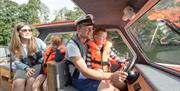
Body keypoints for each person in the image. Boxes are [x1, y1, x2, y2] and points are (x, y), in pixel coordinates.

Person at [66, 14, 128, 91]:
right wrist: (111, 76)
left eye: (91, 29)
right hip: (81, 79)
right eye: (88, 29)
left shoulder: (88, 42)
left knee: (122, 85)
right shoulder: (72, 46)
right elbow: (85, 72)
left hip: (92, 74)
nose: (91, 31)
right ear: (78, 28)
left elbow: (105, 53)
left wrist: (120, 61)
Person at [9, 22, 46, 91]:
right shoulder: (13, 45)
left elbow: (47, 52)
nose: (28, 32)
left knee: (31, 81)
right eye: (24, 30)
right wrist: (26, 68)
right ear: (17, 33)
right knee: (18, 82)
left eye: (29, 30)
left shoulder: (38, 41)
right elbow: (17, 61)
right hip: (23, 65)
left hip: (38, 64)